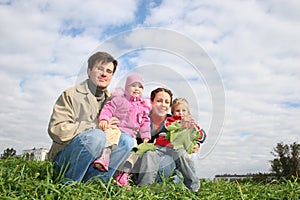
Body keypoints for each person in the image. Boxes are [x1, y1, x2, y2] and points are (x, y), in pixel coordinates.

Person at [47, 51, 135, 184]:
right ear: (89, 71)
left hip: (96, 162)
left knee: (126, 141)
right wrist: (96, 127)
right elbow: (57, 129)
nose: (104, 74)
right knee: (96, 136)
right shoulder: (70, 95)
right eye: (100, 68)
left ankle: (96, 183)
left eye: (109, 71)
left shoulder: (113, 101)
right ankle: (69, 184)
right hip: (65, 159)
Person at [135, 91, 205, 192]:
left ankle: (193, 187)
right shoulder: (168, 120)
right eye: (177, 111)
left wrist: (197, 141)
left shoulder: (190, 122)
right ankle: (144, 187)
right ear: (172, 112)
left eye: (184, 111)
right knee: (149, 154)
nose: (180, 113)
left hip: (177, 148)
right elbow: (168, 128)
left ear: (188, 113)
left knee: (183, 156)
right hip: (162, 145)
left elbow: (199, 134)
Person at [93, 73, 151, 186]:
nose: (136, 89)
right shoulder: (119, 99)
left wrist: (145, 136)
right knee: (111, 135)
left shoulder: (141, 107)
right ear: (127, 87)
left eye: (140, 87)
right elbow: (108, 108)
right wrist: (104, 119)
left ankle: (124, 174)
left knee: (136, 151)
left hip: (131, 135)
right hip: (117, 127)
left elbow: (145, 122)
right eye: (133, 85)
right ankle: (105, 155)